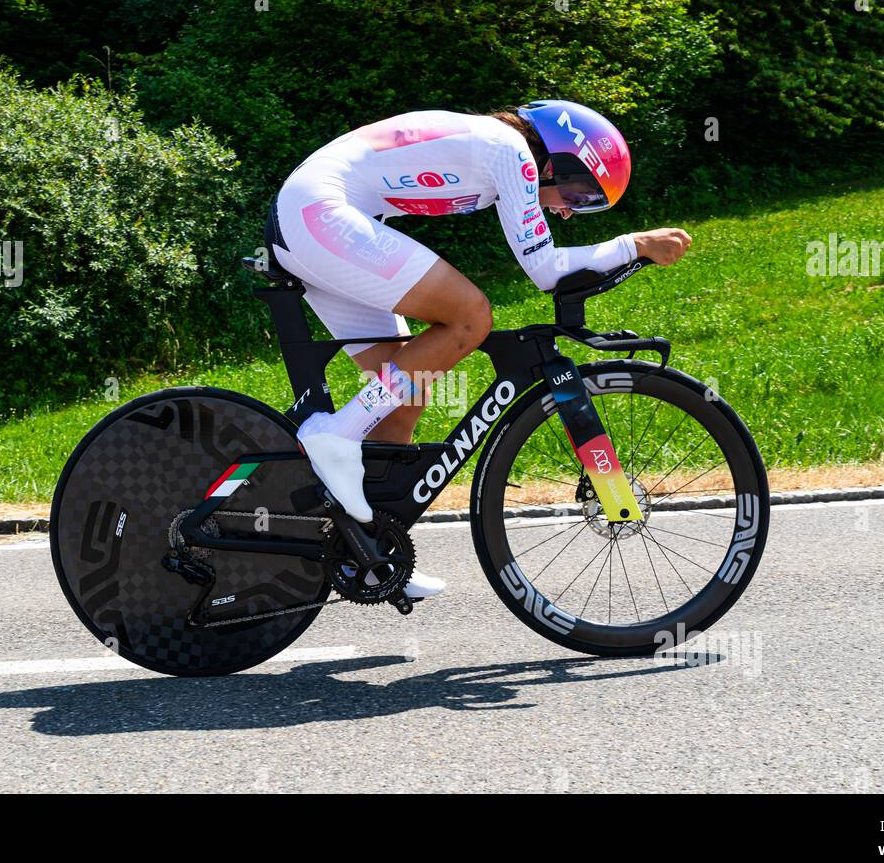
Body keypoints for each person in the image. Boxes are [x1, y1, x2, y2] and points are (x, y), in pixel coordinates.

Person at [266, 100, 692, 597]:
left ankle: (372, 554)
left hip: (312, 216)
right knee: (470, 316)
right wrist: (632, 244)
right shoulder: (509, 151)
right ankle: (334, 436)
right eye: (580, 192)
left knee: (401, 402)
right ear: (556, 159)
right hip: (319, 214)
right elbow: (545, 270)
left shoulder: (494, 147)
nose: (571, 210)